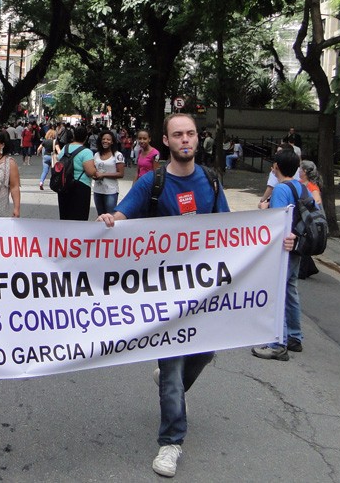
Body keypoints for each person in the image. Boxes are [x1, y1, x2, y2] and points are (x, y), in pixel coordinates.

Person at [97, 114, 232, 478]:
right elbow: (123, 214)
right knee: (172, 369)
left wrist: (275, 240)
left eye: (190, 133)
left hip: (203, 293)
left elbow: (235, 233)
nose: (185, 139)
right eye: (178, 134)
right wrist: (111, 221)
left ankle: (171, 390)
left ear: (196, 139)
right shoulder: (152, 183)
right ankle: (171, 442)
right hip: (163, 294)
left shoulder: (212, 182)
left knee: (204, 354)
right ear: (166, 140)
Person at [252, 149, 306, 361]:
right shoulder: (300, 187)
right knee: (291, 290)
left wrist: (264, 208)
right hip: (298, 245)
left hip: (283, 247)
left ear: (277, 167)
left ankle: (278, 343)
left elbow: (276, 222)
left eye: (274, 164)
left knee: (277, 292)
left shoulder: (281, 189)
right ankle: (294, 336)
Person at [56, 124, 96, 221]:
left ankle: (65, 235)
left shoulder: (65, 148)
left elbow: (59, 161)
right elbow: (90, 172)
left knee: (65, 215)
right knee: (79, 217)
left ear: (73, 136)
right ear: (86, 137)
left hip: (64, 185)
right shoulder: (86, 152)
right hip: (80, 186)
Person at [92, 129, 125, 216]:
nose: (105, 141)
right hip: (97, 190)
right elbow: (94, 170)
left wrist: (103, 175)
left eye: (108, 139)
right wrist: (94, 175)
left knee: (110, 216)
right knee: (100, 215)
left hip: (111, 191)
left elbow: (121, 174)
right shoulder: (96, 155)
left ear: (112, 142)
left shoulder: (118, 155)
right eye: (103, 139)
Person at [37, 124, 58, 190]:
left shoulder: (44, 141)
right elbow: (59, 150)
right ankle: (52, 184)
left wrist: (38, 154)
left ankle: (41, 182)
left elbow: (39, 149)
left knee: (45, 171)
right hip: (52, 158)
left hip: (45, 157)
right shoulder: (55, 142)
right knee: (53, 172)